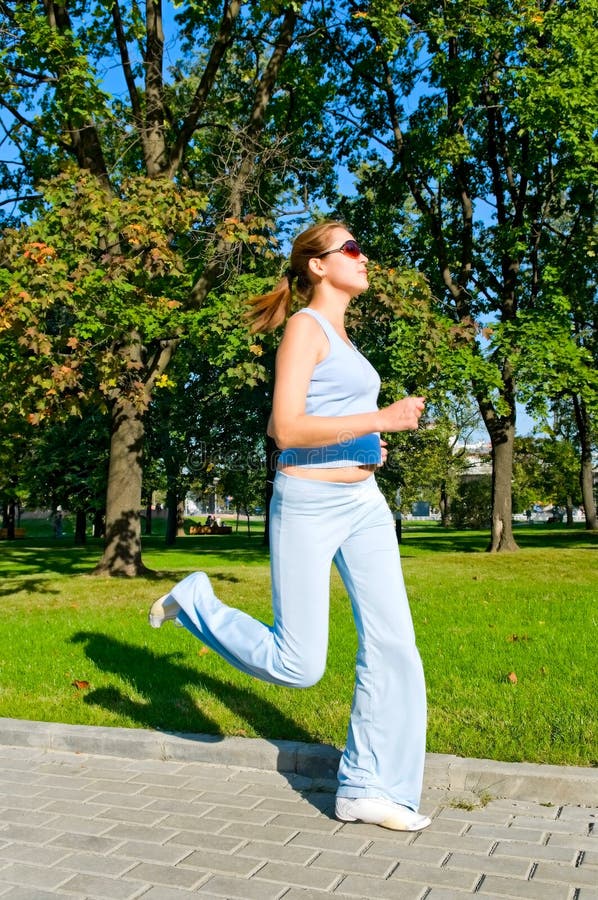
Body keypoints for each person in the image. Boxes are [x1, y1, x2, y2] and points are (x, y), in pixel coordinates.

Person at [149, 221, 430, 832]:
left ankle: (369, 789)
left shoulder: (348, 340)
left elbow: (333, 421)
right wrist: (380, 419)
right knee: (299, 665)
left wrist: (368, 445)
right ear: (318, 266)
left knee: (394, 644)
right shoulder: (305, 328)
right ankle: (196, 602)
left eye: (360, 246)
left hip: (364, 503)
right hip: (309, 502)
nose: (362, 256)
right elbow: (286, 428)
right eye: (350, 248)